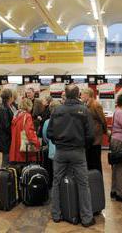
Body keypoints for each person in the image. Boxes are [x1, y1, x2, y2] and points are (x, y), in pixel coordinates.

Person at [47, 84, 95, 227]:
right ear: (78, 94)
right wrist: (83, 146)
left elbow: (49, 133)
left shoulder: (56, 110)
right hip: (78, 152)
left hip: (60, 151)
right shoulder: (84, 110)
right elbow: (90, 135)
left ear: (65, 95)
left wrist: (58, 142)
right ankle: (86, 218)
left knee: (56, 182)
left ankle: (56, 214)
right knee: (83, 184)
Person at [81, 88, 107, 174]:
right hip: (89, 138)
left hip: (95, 138)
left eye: (82, 94)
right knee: (89, 162)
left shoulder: (96, 105)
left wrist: (105, 131)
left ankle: (97, 182)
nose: (81, 96)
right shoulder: (85, 105)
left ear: (87, 95)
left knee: (95, 163)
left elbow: (103, 120)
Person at [9, 98, 40, 163]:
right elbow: (29, 131)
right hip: (23, 146)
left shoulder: (16, 115)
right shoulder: (27, 116)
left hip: (16, 145)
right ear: (29, 106)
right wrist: (36, 142)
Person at [42, 100, 61, 188]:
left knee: (54, 171)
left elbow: (46, 137)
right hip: (64, 150)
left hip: (53, 151)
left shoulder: (47, 122)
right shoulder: (65, 120)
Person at [0, 89, 14, 167]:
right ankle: (4, 176)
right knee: (6, 161)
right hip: (5, 139)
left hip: (5, 137)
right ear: (10, 97)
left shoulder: (5, 107)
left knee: (6, 158)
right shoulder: (4, 109)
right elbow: (6, 125)